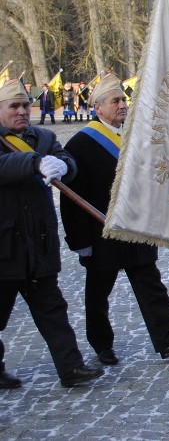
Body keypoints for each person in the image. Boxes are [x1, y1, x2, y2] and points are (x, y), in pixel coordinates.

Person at [60, 74, 169, 366]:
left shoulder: (132, 137)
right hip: (102, 234)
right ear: (98, 108)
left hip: (136, 228)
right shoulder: (80, 144)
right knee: (98, 296)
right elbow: (71, 200)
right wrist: (80, 242)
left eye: (123, 99)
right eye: (116, 101)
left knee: (152, 286)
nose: (122, 105)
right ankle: (102, 346)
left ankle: (168, 339)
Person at [0, 79, 104, 389]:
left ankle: (71, 368)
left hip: (39, 243)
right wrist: (33, 161)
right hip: (4, 246)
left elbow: (69, 165)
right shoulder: (27, 148)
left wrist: (62, 165)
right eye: (13, 106)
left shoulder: (43, 137)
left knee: (53, 310)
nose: (21, 111)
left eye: (23, 105)